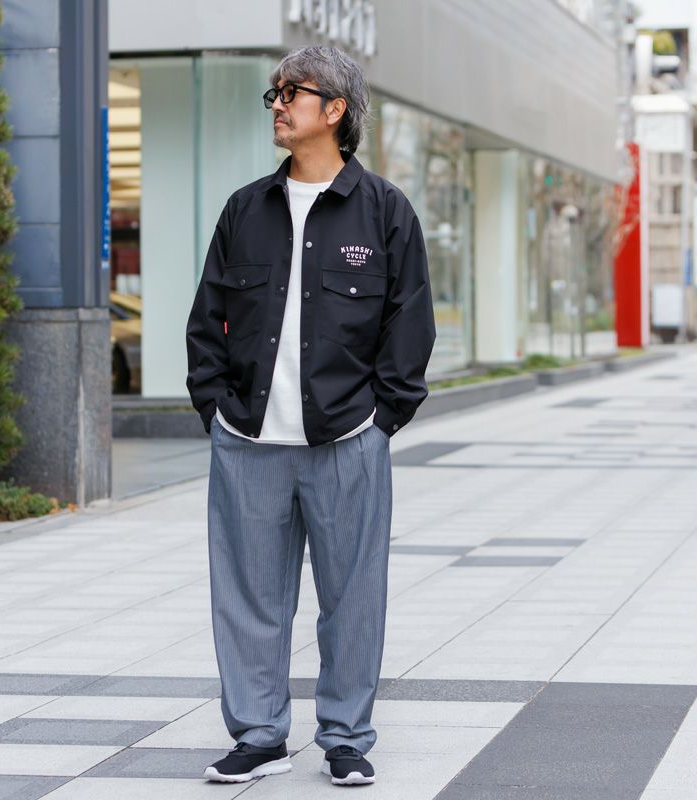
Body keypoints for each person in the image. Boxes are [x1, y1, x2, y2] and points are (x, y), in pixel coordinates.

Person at [186, 45, 435, 787]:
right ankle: (259, 735)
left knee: (352, 600)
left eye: (291, 92)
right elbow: (206, 320)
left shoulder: (385, 210)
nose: (277, 104)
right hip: (249, 441)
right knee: (248, 600)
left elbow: (410, 324)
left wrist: (382, 419)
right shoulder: (245, 209)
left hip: (347, 440)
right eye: (274, 92)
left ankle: (346, 737)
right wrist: (215, 409)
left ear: (335, 109)